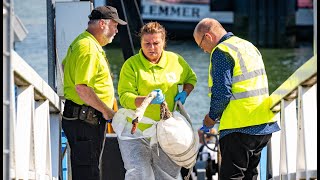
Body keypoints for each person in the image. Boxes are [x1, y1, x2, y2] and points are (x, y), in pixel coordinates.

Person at [193, 18, 280, 180]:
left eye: (200, 45)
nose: (204, 50)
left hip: (240, 126)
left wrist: (211, 118)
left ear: (208, 36)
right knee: (250, 175)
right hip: (263, 124)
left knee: (232, 177)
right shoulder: (248, 46)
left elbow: (222, 93)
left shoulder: (221, 51)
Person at [117, 21, 197, 179]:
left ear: (164, 42)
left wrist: (185, 93)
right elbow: (125, 98)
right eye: (147, 43)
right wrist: (148, 99)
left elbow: (191, 78)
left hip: (167, 131)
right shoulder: (131, 65)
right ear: (140, 42)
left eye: (156, 43)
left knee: (167, 175)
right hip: (137, 130)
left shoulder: (176, 61)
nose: (151, 47)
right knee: (137, 172)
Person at [61, 5, 127, 180]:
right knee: (88, 172)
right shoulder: (89, 48)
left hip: (82, 118)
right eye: (115, 25)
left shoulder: (82, 42)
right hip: (86, 120)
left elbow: (64, 65)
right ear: (103, 24)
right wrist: (107, 111)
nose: (117, 30)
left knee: (86, 168)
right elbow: (82, 88)